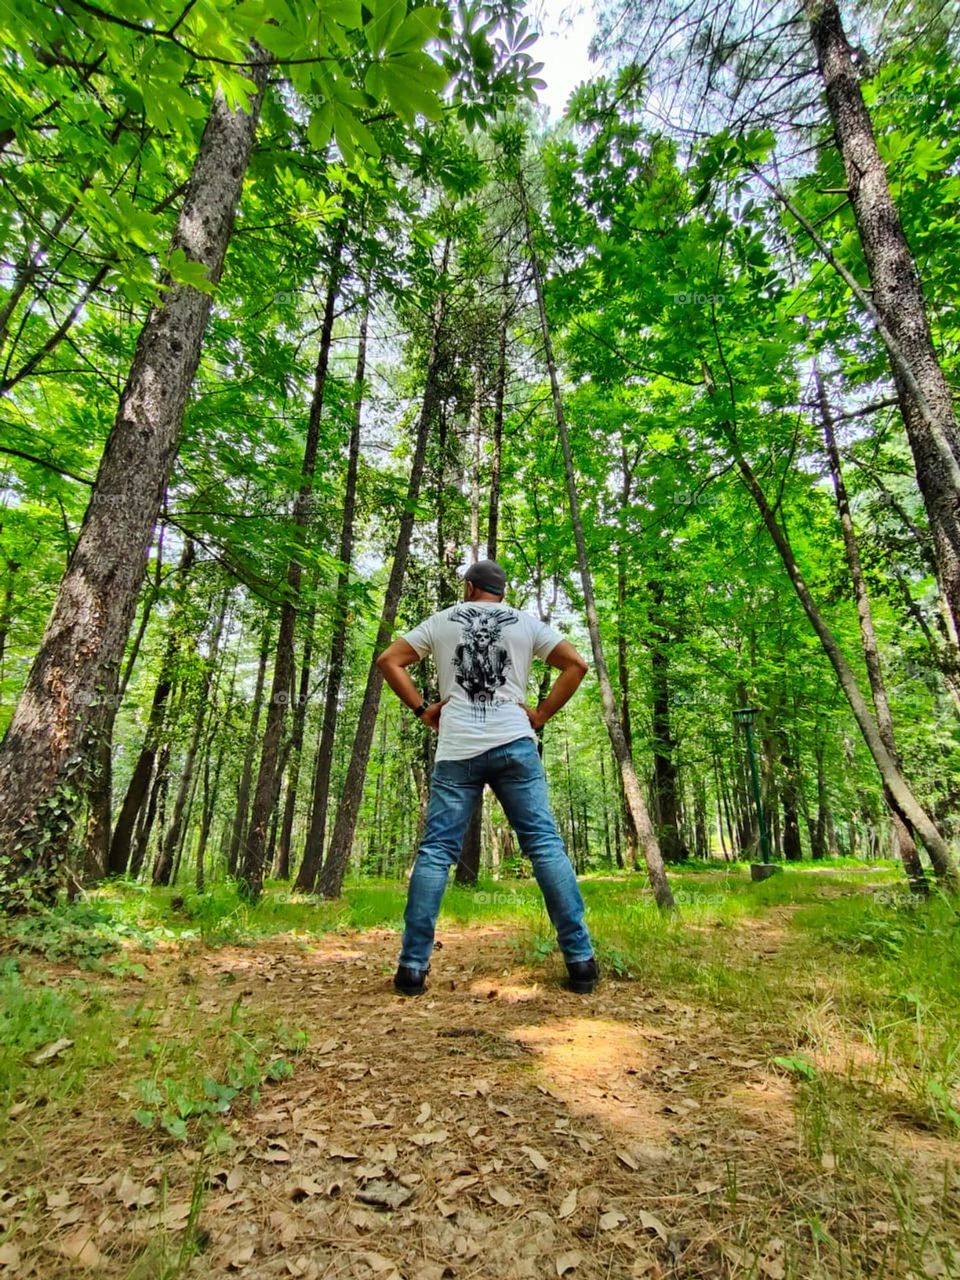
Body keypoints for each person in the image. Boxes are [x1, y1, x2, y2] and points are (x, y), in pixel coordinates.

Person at [376, 558, 599, 997]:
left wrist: (423, 710)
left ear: (469, 587)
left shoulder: (441, 621)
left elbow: (389, 660)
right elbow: (576, 665)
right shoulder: (525, 623)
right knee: (544, 845)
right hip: (515, 744)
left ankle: (411, 968)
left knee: (436, 852)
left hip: (457, 749)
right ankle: (581, 962)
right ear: (501, 592)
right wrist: (540, 715)